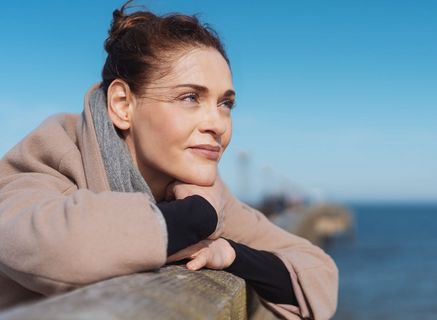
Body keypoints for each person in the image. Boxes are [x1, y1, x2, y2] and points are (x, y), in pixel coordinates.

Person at [0, 2, 338, 319]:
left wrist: (232, 254)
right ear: (122, 105)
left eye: (225, 104)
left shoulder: (200, 191)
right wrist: (196, 218)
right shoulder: (52, 154)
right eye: (190, 97)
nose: (217, 124)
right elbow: (45, 244)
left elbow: (316, 270)